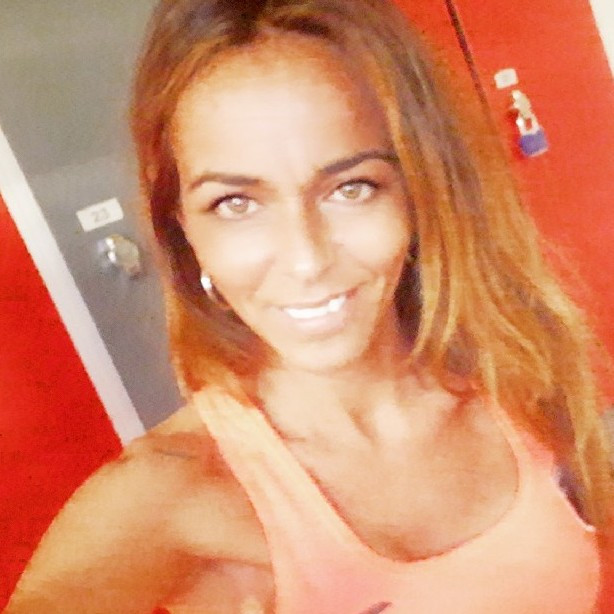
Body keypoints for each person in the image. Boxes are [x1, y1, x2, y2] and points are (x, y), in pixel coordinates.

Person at [5, 0, 614, 612]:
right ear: (181, 228)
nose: (306, 259)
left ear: (420, 190)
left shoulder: (517, 371)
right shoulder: (169, 494)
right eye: (236, 203)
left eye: (352, 188)